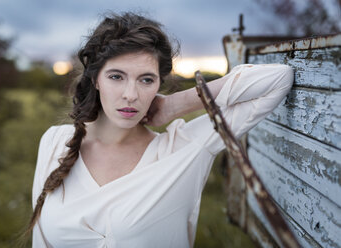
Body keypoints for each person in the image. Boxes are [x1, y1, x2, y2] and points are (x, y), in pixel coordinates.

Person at [26, 12, 293, 248]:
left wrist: (176, 104)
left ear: (158, 85)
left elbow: (278, 80)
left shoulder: (184, 147)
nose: (131, 95)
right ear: (96, 79)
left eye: (146, 80)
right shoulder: (55, 141)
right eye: (116, 76)